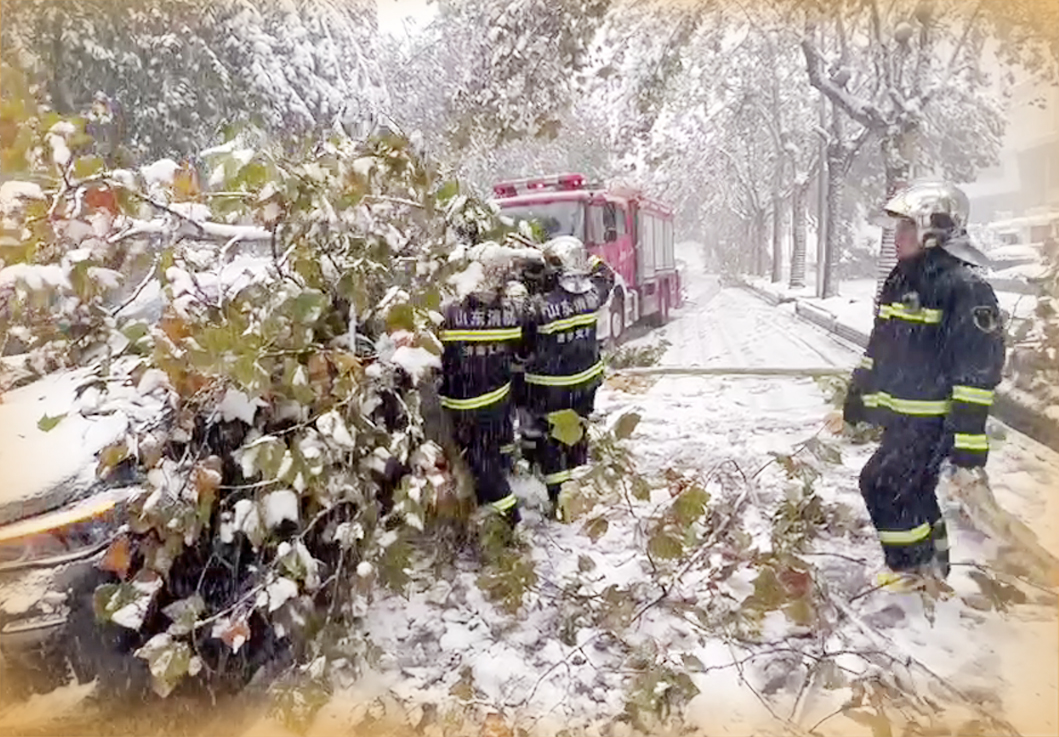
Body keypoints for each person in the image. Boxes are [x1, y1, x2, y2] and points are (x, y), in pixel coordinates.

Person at [838, 180, 1005, 590]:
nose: (897, 237)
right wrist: (859, 394)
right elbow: (881, 346)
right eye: (897, 227)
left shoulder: (966, 288)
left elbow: (977, 373)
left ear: (936, 230)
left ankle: (911, 570)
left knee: (883, 484)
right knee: (912, 492)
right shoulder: (903, 279)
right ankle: (933, 567)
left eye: (907, 227)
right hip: (903, 419)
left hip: (934, 423)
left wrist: (966, 442)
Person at [437, 245, 541, 527]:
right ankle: (498, 503)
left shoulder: (448, 312)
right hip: (498, 402)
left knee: (482, 467)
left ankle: (511, 519)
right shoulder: (511, 313)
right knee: (495, 455)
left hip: (464, 406)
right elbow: (524, 350)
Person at [522, 236, 616, 518]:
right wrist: (592, 262)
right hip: (586, 382)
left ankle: (559, 500)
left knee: (551, 440)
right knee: (577, 432)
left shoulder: (538, 307)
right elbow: (606, 275)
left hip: (550, 387)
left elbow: (522, 346)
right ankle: (578, 491)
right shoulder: (592, 296)